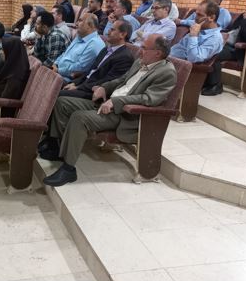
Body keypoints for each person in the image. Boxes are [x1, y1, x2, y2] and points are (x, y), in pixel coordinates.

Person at [40, 35, 176, 186]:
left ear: (157, 53)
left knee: (79, 118)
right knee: (62, 103)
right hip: (108, 103)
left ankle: (68, 169)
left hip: (125, 114)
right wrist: (104, 87)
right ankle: (59, 148)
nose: (140, 51)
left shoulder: (166, 72)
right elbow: (122, 80)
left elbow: (149, 99)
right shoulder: (140, 62)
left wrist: (116, 102)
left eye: (144, 48)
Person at [58, 20, 136, 101]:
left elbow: (106, 81)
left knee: (57, 95)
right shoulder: (106, 49)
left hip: (92, 92)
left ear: (122, 34)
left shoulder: (124, 57)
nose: (108, 32)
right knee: (55, 86)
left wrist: (78, 87)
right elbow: (90, 71)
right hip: (84, 85)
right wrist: (74, 83)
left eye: (112, 29)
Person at [52, 15, 107, 81]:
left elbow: (80, 68)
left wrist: (58, 70)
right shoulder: (79, 36)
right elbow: (65, 53)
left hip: (68, 79)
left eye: (80, 21)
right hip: (57, 72)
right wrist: (55, 64)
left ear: (90, 26)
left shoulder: (95, 44)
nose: (76, 24)